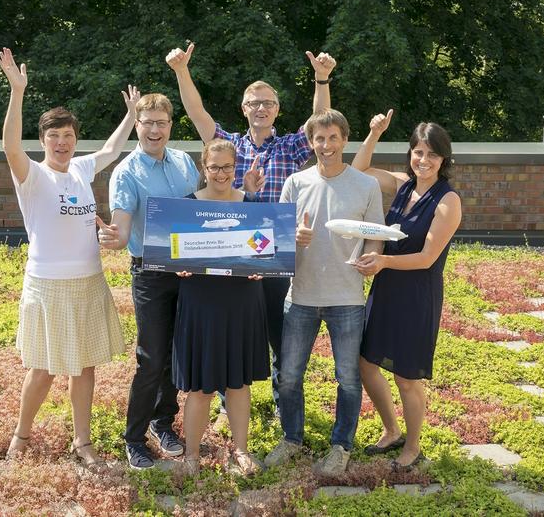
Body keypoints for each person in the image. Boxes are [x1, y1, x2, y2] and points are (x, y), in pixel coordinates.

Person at [165, 42, 337, 418]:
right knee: (231, 334)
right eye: (254, 102)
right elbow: (196, 113)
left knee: (281, 338)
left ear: (277, 109)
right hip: (230, 259)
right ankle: (229, 403)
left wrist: (321, 79)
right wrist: (182, 71)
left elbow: (321, 121)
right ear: (244, 109)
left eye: (268, 103)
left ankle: (282, 406)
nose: (261, 108)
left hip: (275, 257)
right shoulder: (228, 146)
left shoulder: (291, 147)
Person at [0, 47, 134, 470]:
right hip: (47, 285)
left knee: (85, 368)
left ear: (75, 139)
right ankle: (21, 437)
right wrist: (17, 92)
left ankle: (83, 443)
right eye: (54, 137)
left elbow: (111, 150)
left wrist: (130, 116)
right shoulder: (33, 176)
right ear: (44, 141)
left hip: (89, 282)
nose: (62, 143)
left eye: (68, 136)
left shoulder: (80, 170)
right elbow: (9, 146)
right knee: (43, 369)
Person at [264, 109, 385, 476]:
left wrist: (372, 258)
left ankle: (341, 446)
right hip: (299, 296)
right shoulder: (296, 183)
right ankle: (291, 439)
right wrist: (293, 238)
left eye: (333, 138)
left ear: (344, 140)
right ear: (311, 141)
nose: (326, 145)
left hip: (346, 298)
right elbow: (276, 239)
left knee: (347, 378)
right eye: (319, 138)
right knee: (289, 375)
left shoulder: (365, 185)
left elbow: (376, 237)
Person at [350, 112, 462, 470]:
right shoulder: (402, 185)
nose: (423, 160)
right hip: (385, 289)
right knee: (365, 364)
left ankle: (412, 446)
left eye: (431, 154)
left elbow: (428, 258)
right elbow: (359, 171)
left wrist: (382, 263)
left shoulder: (448, 201)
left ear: (443, 159)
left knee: (407, 377)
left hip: (416, 294)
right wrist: (374, 133)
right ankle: (391, 430)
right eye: (417, 152)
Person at [96, 93, 199, 470]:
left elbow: (198, 212)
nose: (155, 130)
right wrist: (115, 238)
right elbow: (122, 227)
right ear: (136, 125)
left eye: (161, 123)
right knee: (151, 359)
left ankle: (162, 423)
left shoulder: (186, 163)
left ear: (171, 125)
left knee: (176, 355)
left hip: (188, 273)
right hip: (151, 274)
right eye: (147, 123)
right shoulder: (126, 172)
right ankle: (134, 438)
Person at [172, 139, 269, 476]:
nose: (221, 173)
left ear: (235, 168)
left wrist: (263, 267)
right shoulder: (187, 207)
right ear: (204, 168)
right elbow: (173, 252)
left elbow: (265, 252)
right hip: (202, 302)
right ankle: (192, 457)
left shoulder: (252, 205)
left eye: (227, 166)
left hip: (242, 300)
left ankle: (241, 451)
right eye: (214, 167)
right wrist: (177, 265)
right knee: (200, 386)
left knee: (239, 383)